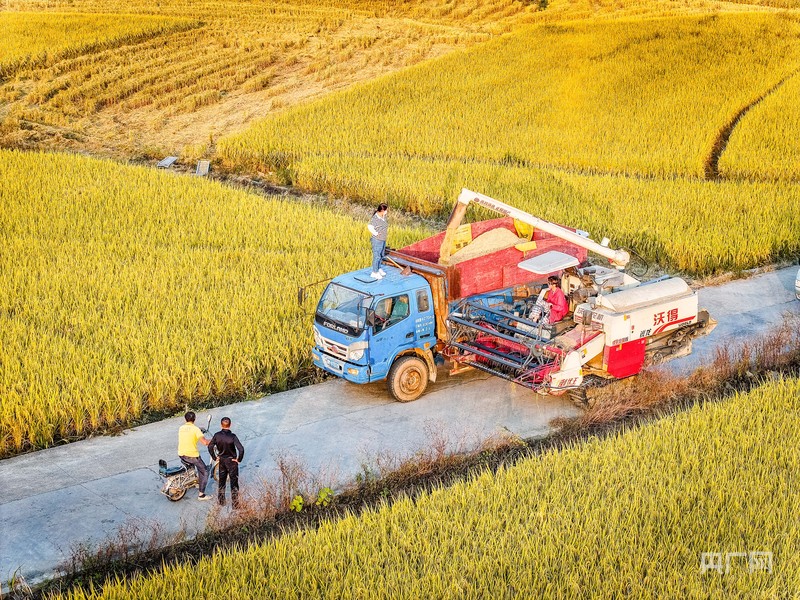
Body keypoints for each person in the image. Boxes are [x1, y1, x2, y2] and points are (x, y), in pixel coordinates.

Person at [208, 417, 245, 508]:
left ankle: (221, 501)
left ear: (221, 425)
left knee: (222, 481)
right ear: (230, 425)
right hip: (232, 461)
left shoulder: (217, 435)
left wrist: (214, 457)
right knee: (234, 483)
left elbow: (210, 446)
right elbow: (241, 449)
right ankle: (235, 504)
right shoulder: (233, 436)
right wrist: (238, 460)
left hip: (222, 461)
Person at [178, 411, 211, 501]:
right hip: (192, 456)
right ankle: (201, 495)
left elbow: (190, 431)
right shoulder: (195, 429)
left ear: (185, 419)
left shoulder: (181, 428)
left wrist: (199, 430)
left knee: (192, 468)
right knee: (204, 471)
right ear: (194, 419)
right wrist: (213, 440)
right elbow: (204, 442)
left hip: (181, 454)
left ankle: (194, 482)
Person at [367, 203, 389, 279]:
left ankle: (379, 268)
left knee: (381, 254)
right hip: (377, 240)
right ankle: (374, 272)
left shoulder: (383, 216)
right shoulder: (375, 218)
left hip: (383, 239)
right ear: (382, 210)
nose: (387, 212)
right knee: (377, 256)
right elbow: (369, 226)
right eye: (386, 210)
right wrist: (376, 233)